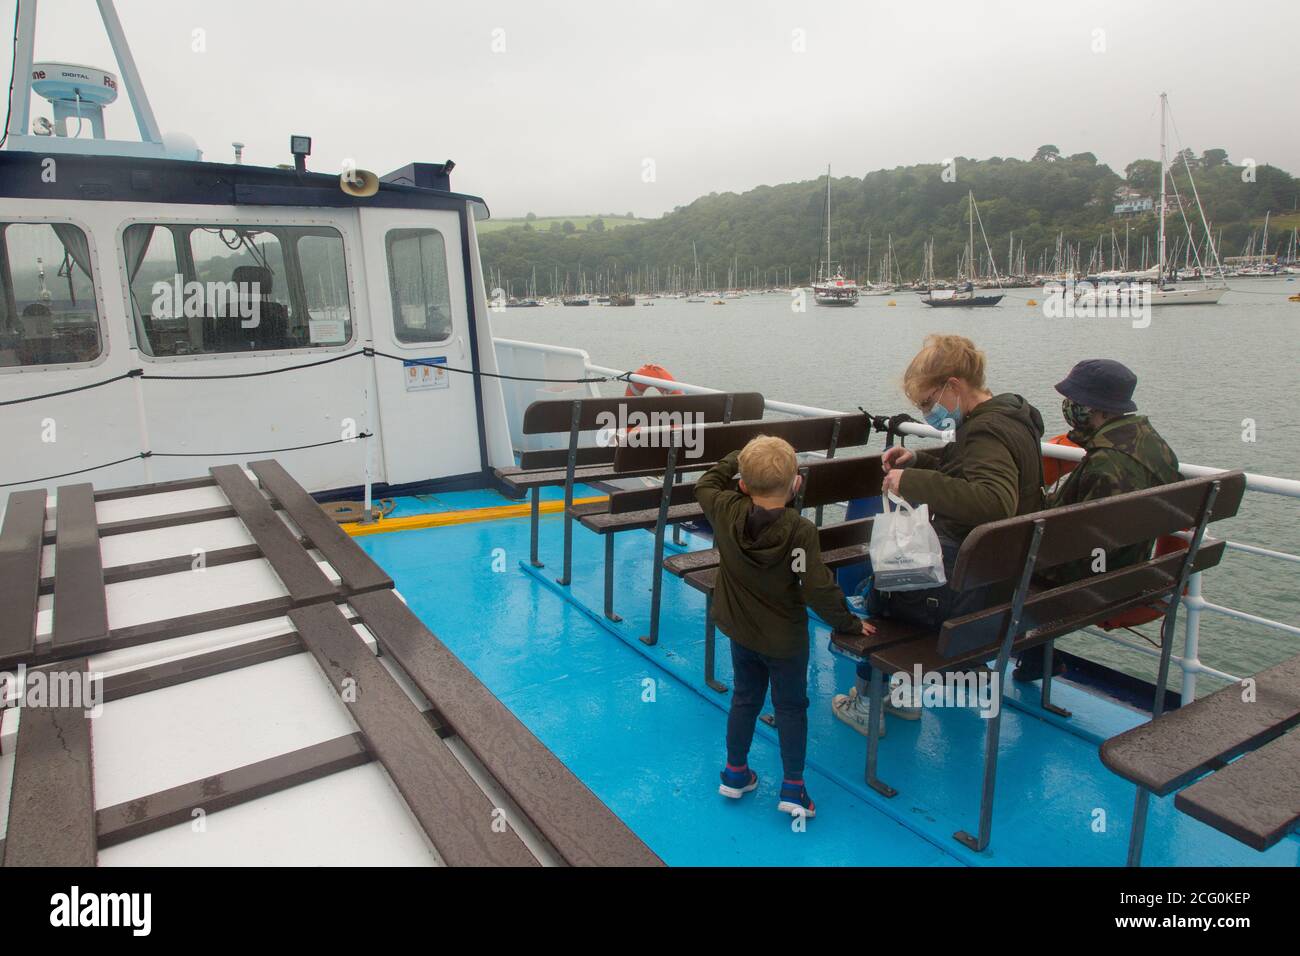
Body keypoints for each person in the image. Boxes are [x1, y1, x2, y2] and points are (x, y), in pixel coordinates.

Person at [832, 334, 1045, 735]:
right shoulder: (1013, 417)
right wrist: (920, 459)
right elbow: (972, 465)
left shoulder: (985, 433)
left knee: (876, 590)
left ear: (953, 385)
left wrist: (911, 482)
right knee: (895, 581)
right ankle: (907, 695)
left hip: (967, 588)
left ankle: (871, 703)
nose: (928, 412)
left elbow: (993, 498)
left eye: (929, 403)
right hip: (1002, 579)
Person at [697, 435, 873, 818]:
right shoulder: (799, 532)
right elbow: (815, 586)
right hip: (785, 643)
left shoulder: (725, 509)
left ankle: (735, 772)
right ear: (796, 484)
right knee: (791, 708)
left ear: (742, 484)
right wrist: (849, 623)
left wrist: (739, 454)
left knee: (745, 698)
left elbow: (706, 482)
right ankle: (793, 788)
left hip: (741, 633)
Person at [1013, 358, 1181, 681]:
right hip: (1133, 568)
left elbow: (1080, 549)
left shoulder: (1107, 465)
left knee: (991, 564)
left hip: (1097, 581)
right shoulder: (1156, 446)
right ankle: (1036, 659)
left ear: (1096, 409)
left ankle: (969, 661)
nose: (1069, 408)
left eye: (1075, 403)